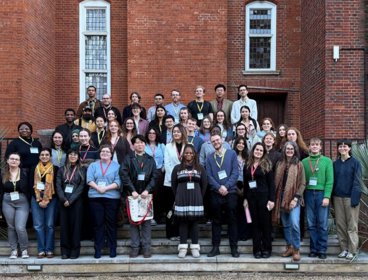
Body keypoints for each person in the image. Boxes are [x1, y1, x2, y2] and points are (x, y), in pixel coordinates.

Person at [120, 135, 157, 258]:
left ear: (144, 145)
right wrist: (132, 190)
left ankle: (146, 247)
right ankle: (135, 247)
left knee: (146, 222)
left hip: (146, 195)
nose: (139, 145)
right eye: (137, 143)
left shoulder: (150, 159)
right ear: (133, 145)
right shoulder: (128, 158)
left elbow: (155, 176)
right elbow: (124, 175)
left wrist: (147, 190)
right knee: (134, 222)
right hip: (133, 196)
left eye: (142, 143)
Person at [206, 134, 239, 258]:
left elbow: (235, 172)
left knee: (232, 220)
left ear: (222, 140)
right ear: (211, 143)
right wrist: (219, 187)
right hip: (216, 193)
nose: (216, 142)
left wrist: (226, 186)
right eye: (213, 141)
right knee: (216, 221)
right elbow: (209, 176)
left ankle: (234, 248)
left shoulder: (231, 154)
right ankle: (215, 247)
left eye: (217, 140)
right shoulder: (210, 158)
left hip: (230, 193)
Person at [171, 144, 207, 258]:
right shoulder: (177, 168)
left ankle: (195, 247)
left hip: (196, 199)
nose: (188, 155)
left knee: (194, 223)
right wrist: (177, 197)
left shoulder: (200, 168)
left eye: (191, 153)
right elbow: (173, 185)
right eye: (186, 152)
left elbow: (204, 185)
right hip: (182, 199)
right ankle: (182, 247)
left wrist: (199, 196)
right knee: (183, 223)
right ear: (183, 154)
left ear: (194, 154)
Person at [273, 141, 306, 261]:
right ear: (284, 150)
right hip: (280, 197)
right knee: (286, 224)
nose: (289, 151)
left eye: (292, 149)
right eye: (287, 149)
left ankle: (296, 249)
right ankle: (289, 246)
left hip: (294, 197)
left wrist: (296, 198)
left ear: (295, 150)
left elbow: (303, 183)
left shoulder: (299, 164)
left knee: (294, 223)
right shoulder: (279, 164)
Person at [87, 145, 121, 258]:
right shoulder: (93, 165)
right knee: (98, 224)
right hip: (95, 197)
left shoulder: (117, 166)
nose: (105, 153)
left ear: (111, 154)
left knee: (111, 224)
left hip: (111, 198)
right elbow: (89, 180)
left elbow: (118, 182)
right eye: (102, 151)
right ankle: (98, 249)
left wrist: (105, 188)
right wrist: (98, 188)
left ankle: (112, 248)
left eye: (107, 151)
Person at [302, 137, 334, 259]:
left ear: (320, 147)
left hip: (321, 194)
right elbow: (302, 181)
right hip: (308, 193)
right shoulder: (304, 162)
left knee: (322, 223)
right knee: (311, 223)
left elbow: (330, 181)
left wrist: (327, 196)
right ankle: (313, 249)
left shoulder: (327, 161)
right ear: (309, 147)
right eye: (312, 145)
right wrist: (302, 196)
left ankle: (322, 249)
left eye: (317, 144)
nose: (314, 146)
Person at [243, 143, 275, 259]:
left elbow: (271, 184)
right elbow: (246, 184)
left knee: (265, 225)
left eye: (261, 150)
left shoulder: (267, 165)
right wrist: (245, 198)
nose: (258, 152)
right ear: (253, 150)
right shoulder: (247, 165)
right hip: (251, 199)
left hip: (264, 198)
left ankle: (266, 249)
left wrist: (272, 200)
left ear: (263, 153)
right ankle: (256, 249)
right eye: (257, 149)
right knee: (255, 225)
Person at [333, 140, 362, 260]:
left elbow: (357, 181)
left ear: (349, 148)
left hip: (351, 198)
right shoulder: (335, 164)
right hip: (337, 197)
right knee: (340, 225)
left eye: (345, 146)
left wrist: (355, 198)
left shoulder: (356, 163)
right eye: (340, 146)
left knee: (352, 225)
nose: (342, 148)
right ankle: (344, 249)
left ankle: (352, 250)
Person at [56, 149, 85, 259]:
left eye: (75, 154)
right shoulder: (61, 169)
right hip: (63, 201)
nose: (73, 156)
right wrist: (63, 199)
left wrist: (71, 200)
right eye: (71, 154)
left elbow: (82, 186)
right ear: (67, 156)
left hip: (76, 202)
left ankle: (75, 250)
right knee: (64, 226)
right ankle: (64, 251)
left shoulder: (82, 169)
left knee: (76, 226)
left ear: (78, 157)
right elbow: (58, 185)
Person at [0, 153, 30, 259]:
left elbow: (30, 188)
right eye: (12, 159)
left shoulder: (25, 173)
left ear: (19, 162)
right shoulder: (3, 173)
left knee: (20, 227)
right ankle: (14, 250)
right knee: (11, 227)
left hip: (22, 201)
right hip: (7, 201)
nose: (14, 161)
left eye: (16, 159)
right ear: (7, 161)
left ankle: (24, 249)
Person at [32, 148, 58, 258]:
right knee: (38, 225)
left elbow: (57, 185)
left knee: (49, 225)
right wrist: (39, 199)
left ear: (50, 157)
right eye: (42, 154)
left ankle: (49, 249)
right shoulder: (34, 168)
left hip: (51, 199)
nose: (44, 156)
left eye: (47, 155)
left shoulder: (55, 169)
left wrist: (47, 200)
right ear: (39, 156)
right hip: (36, 199)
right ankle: (41, 250)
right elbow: (30, 186)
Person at [163, 124, 188, 239]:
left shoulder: (189, 145)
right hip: (170, 182)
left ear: (183, 132)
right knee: (170, 208)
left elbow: (191, 162)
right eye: (174, 132)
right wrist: (175, 179)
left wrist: (184, 176)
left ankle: (183, 233)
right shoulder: (168, 146)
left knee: (183, 208)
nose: (176, 133)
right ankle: (171, 233)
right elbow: (167, 164)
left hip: (185, 181)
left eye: (178, 131)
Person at [5, 122, 42, 195]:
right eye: (21, 129)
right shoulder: (14, 143)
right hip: (22, 171)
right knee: (24, 189)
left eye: (26, 128)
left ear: (31, 130)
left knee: (35, 188)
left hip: (36, 171)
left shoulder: (36, 143)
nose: (24, 130)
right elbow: (8, 157)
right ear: (18, 131)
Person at [145, 128, 166, 224]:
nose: (152, 134)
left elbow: (167, 157)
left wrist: (164, 167)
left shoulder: (161, 146)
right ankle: (150, 216)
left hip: (159, 173)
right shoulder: (144, 146)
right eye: (150, 133)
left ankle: (159, 216)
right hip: (148, 173)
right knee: (150, 195)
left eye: (154, 133)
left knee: (159, 195)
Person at [232, 136, 251, 241]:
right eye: (238, 143)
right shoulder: (231, 156)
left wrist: (245, 189)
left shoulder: (248, 157)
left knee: (246, 210)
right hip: (234, 185)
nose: (241, 145)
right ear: (236, 144)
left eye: (243, 143)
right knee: (236, 211)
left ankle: (245, 234)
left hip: (246, 185)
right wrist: (236, 188)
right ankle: (237, 234)